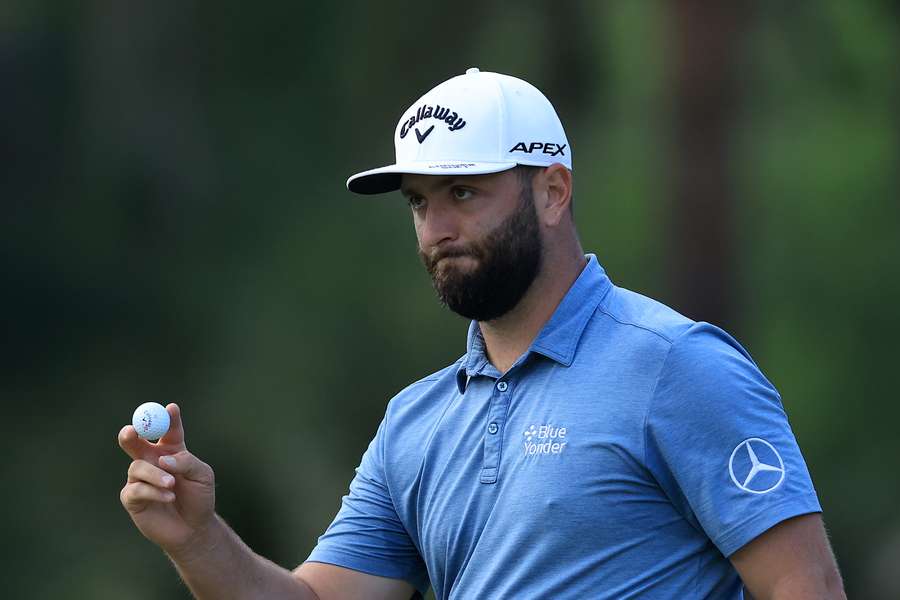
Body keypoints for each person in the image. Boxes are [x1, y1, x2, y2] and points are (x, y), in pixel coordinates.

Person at [118, 68, 846, 599]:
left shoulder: (676, 365)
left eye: (464, 193)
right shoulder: (416, 422)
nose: (435, 230)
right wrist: (198, 540)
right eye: (418, 203)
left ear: (552, 191)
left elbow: (803, 587)